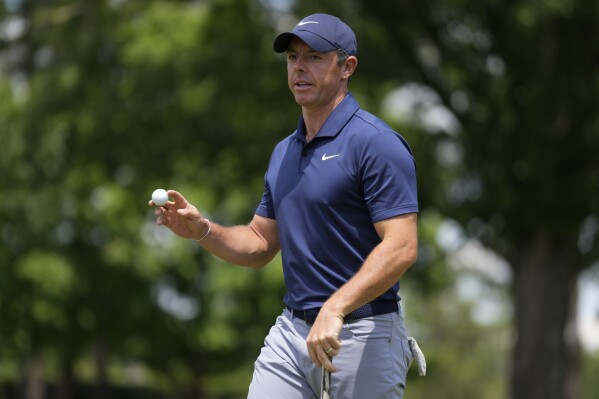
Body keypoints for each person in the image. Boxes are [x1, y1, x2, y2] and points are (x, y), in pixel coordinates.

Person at [151, 13, 420, 399]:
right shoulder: (284, 152)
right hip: (292, 334)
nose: (299, 68)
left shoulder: (376, 143)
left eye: (314, 57)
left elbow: (402, 246)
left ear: (347, 67)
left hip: (363, 333)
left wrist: (336, 307)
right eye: (293, 57)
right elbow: (260, 244)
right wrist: (203, 231)